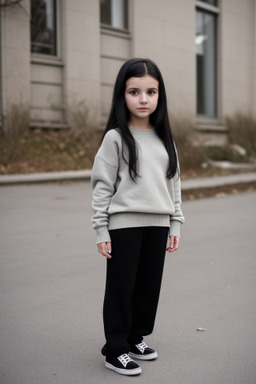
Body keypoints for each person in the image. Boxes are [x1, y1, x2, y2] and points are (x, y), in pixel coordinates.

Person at [91, 58, 185, 376]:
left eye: (151, 92)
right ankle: (115, 349)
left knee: (148, 288)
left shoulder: (165, 139)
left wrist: (176, 222)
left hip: (158, 225)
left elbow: (174, 185)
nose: (143, 99)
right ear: (122, 95)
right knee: (122, 289)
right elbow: (102, 187)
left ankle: (135, 338)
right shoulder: (116, 138)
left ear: (160, 96)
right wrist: (101, 229)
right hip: (124, 226)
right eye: (134, 91)